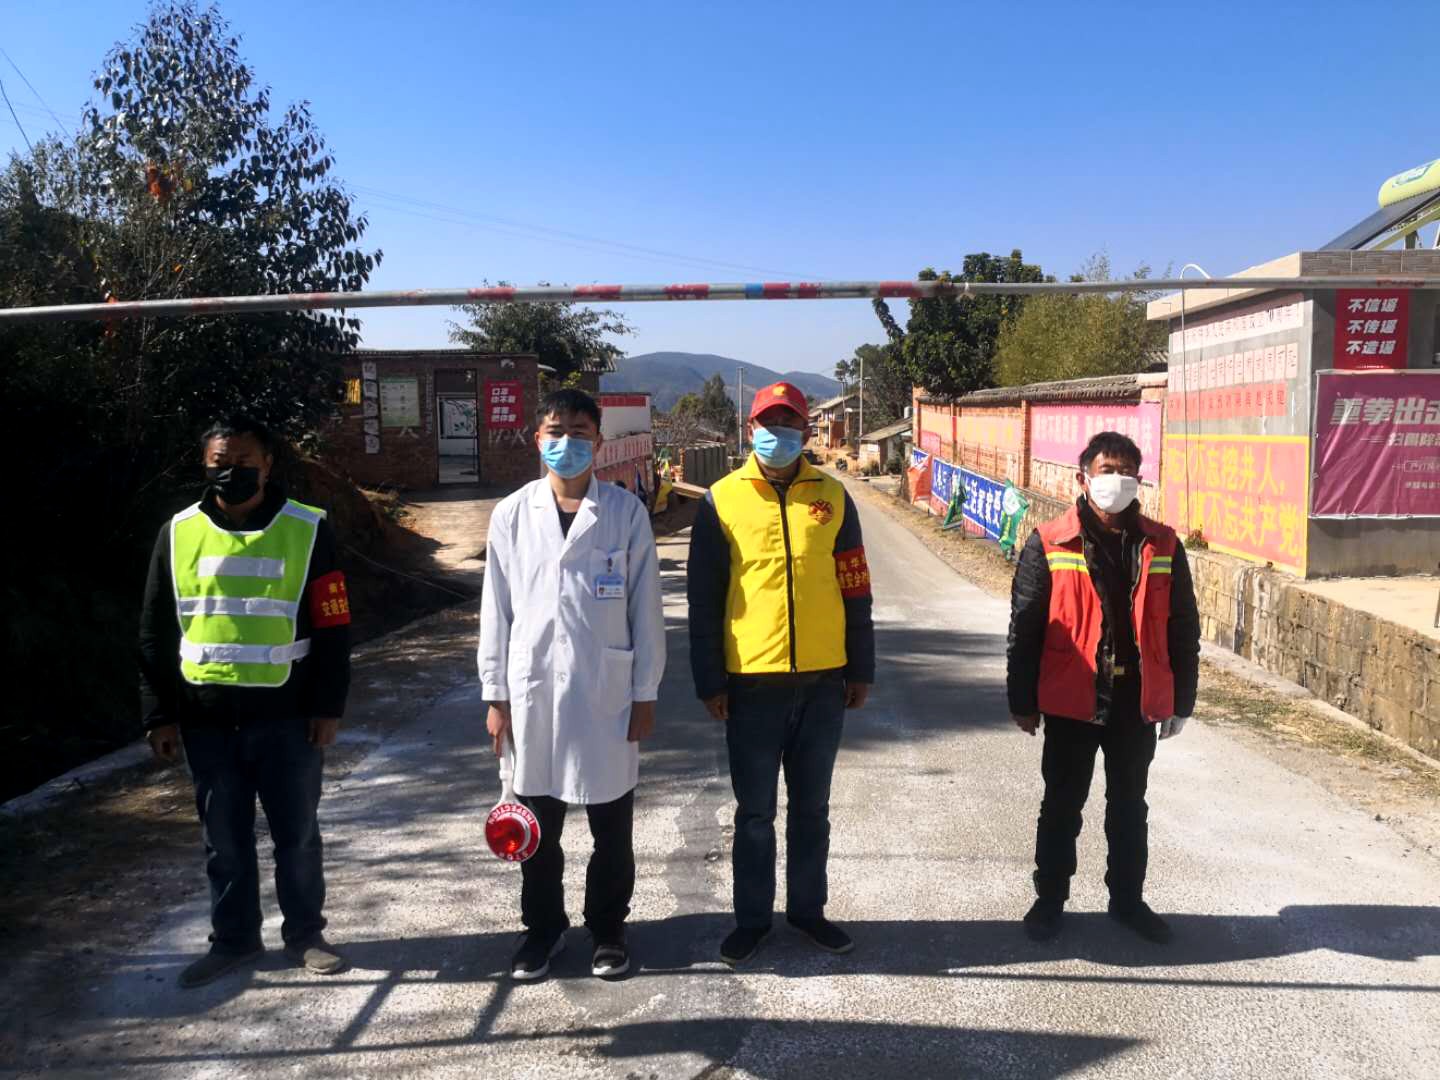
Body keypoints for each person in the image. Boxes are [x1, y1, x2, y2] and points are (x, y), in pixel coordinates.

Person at [138, 415, 351, 988]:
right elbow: (156, 629)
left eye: (244, 463)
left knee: (297, 837)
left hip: (289, 718)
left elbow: (333, 624)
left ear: (268, 464)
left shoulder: (307, 528)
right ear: (204, 466)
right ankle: (233, 940)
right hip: (207, 719)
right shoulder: (178, 533)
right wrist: (158, 713)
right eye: (220, 464)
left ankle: (305, 935)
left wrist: (328, 707)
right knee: (224, 842)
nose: (232, 472)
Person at [479, 388, 666, 981]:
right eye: (556, 432)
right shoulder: (512, 514)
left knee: (612, 827)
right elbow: (496, 610)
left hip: (606, 692)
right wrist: (495, 695)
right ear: (537, 439)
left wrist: (645, 693)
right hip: (532, 692)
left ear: (599, 442)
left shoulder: (625, 513)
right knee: (538, 825)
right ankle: (543, 929)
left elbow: (646, 611)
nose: (567, 443)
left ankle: (608, 930)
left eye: (580, 433)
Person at [687, 382, 875, 966]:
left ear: (805, 430)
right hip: (752, 683)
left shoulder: (834, 497)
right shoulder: (722, 500)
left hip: (824, 681)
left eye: (790, 422)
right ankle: (751, 921)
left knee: (812, 810)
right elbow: (703, 598)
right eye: (769, 423)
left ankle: (808, 912)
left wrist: (861, 667)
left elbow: (856, 586)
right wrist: (710, 679)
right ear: (751, 430)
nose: (779, 433)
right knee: (755, 814)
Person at [1006, 431, 1200, 945]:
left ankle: (1128, 901)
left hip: (1135, 701)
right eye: (1107, 471)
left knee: (1130, 806)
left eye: (1127, 472)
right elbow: (1025, 625)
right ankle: (1049, 900)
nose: (1117, 481)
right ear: (1084, 478)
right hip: (1072, 698)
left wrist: (1182, 700)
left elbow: (1183, 625)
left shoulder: (1163, 544)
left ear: (1139, 480)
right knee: (1061, 805)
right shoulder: (1049, 541)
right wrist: (1022, 700)